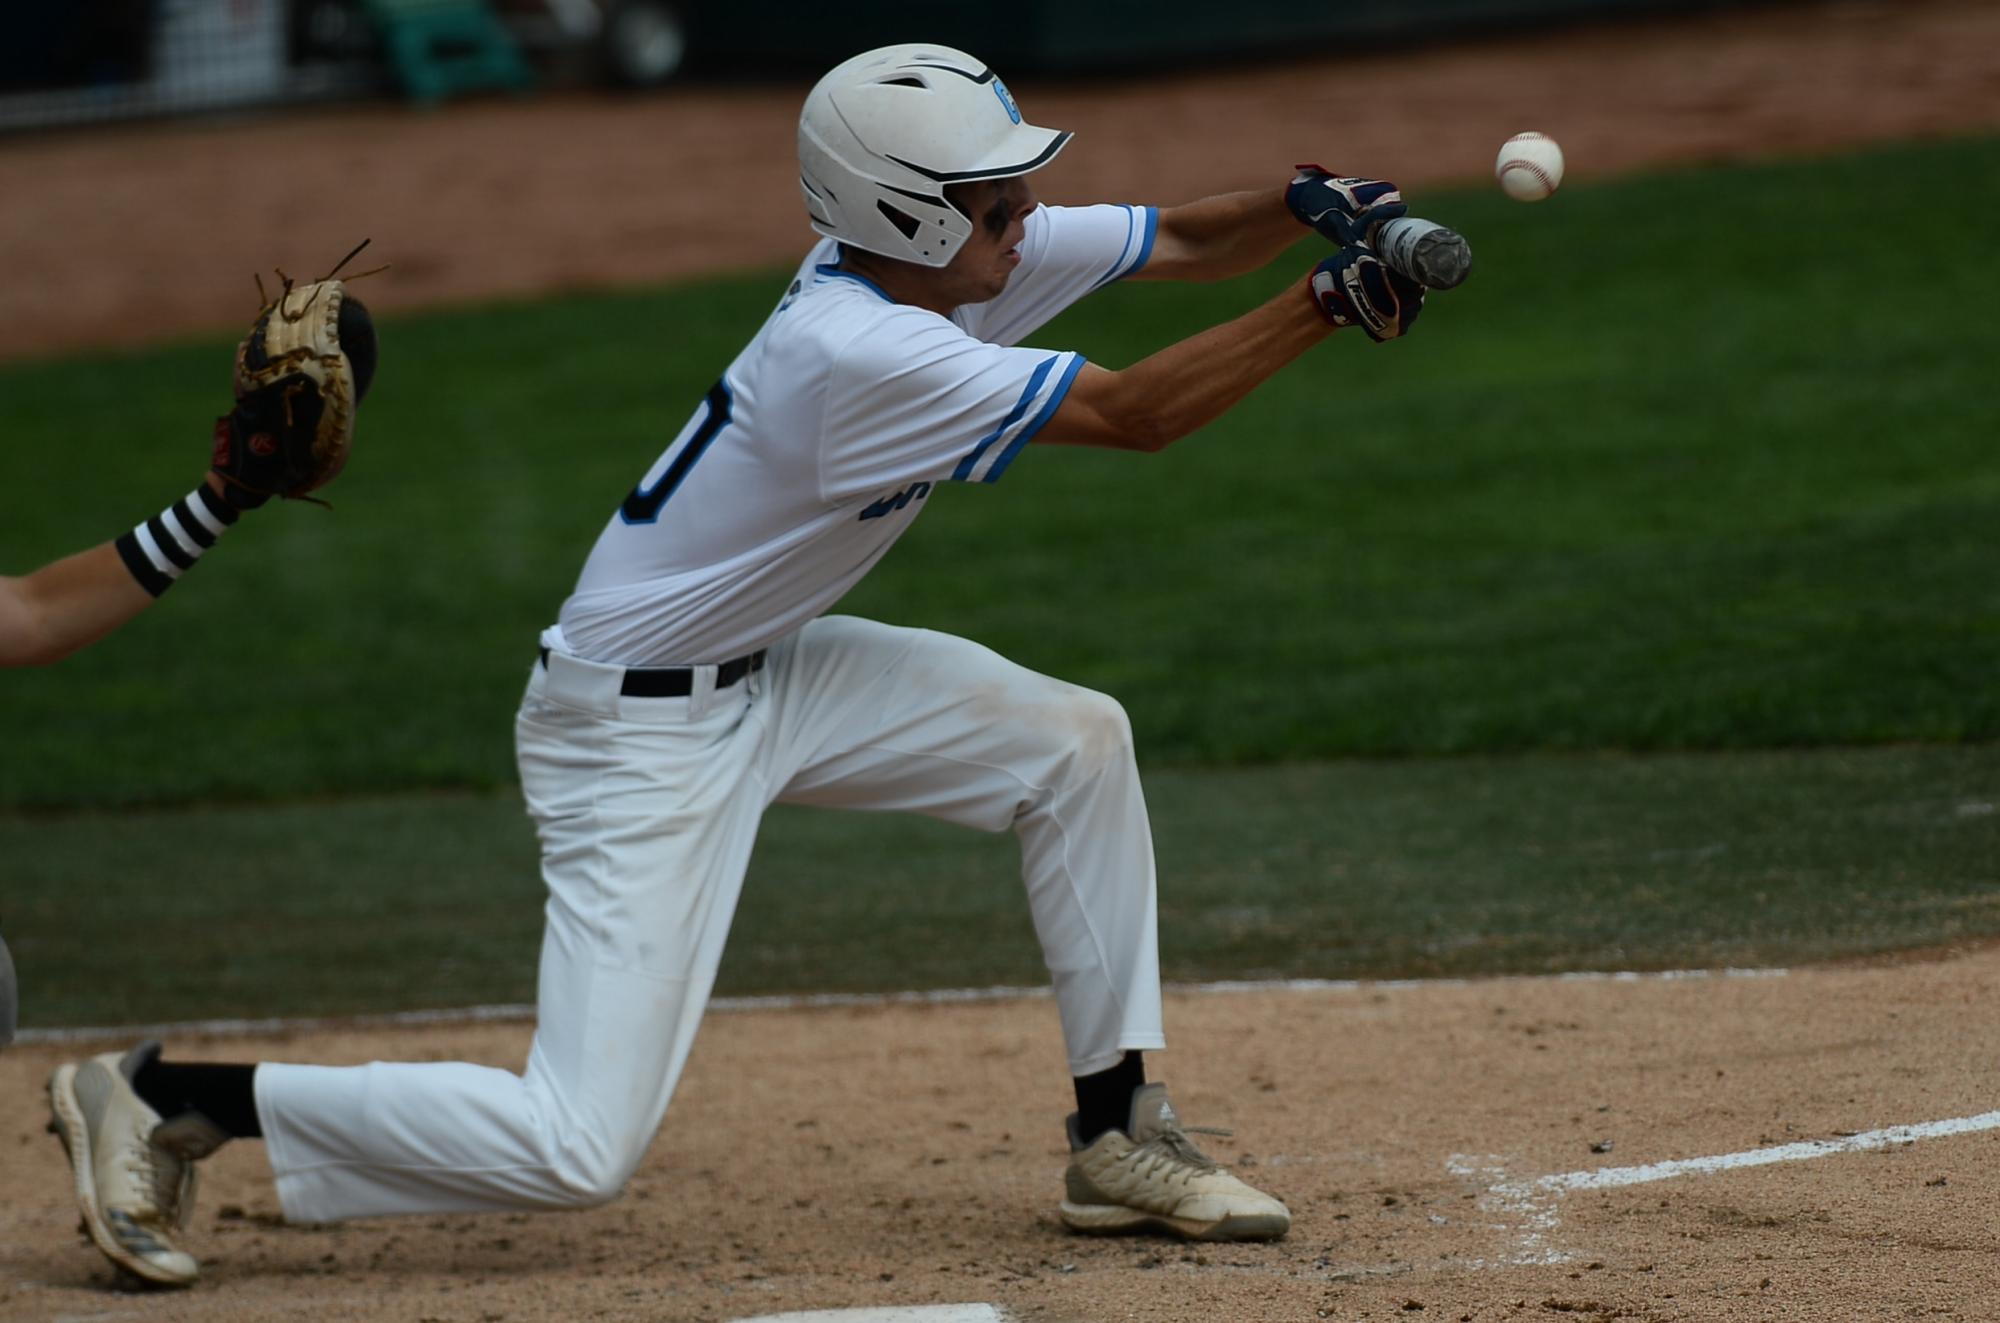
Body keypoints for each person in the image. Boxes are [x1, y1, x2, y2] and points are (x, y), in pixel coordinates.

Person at [46, 43, 1428, 1288]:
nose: (1023, 219)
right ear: (909, 213)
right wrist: (1328, 301)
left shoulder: (943, 258)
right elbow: (1136, 416)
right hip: (627, 736)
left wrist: (1312, 201)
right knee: (577, 1148)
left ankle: (1119, 1132)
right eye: (998, 201)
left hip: (770, 671)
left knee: (1072, 740)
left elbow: (1183, 237)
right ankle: (170, 1093)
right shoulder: (860, 347)